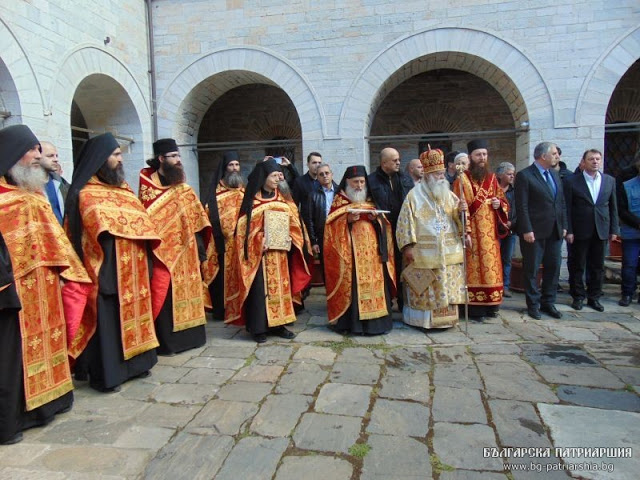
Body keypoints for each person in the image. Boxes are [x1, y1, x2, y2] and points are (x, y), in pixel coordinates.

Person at [0, 125, 91, 445]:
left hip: (48, 287)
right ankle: (19, 415)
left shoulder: (35, 195)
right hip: (16, 292)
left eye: (41, 150)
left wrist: (72, 275)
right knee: (15, 355)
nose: (40, 157)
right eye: (34, 150)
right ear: (14, 155)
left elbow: (56, 240)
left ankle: (51, 403)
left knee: (51, 341)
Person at [66, 133, 166, 393]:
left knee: (137, 315)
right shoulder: (85, 193)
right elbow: (81, 235)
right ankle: (108, 375)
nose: (121, 159)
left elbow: (144, 224)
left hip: (135, 269)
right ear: (101, 159)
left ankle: (138, 364)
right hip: (107, 270)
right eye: (115, 155)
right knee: (108, 322)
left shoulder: (125, 191)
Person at [139, 138, 215, 355]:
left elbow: (198, 220)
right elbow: (146, 222)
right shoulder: (148, 189)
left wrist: (200, 251)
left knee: (191, 291)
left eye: (179, 156)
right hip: (163, 254)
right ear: (161, 159)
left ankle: (192, 339)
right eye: (173, 156)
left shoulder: (184, 188)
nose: (178, 160)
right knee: (165, 293)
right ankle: (168, 343)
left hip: (188, 252)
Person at [225, 158, 311, 343]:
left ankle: (279, 325)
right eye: (273, 176)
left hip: (280, 255)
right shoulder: (252, 203)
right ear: (263, 177)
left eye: (278, 176)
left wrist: (292, 238)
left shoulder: (283, 199)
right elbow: (241, 231)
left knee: (280, 290)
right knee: (259, 291)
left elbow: (295, 224)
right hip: (258, 258)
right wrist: (258, 240)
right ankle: (258, 328)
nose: (276, 179)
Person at [396, 148, 466, 329]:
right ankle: (421, 321)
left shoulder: (449, 195)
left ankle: (446, 320)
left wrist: (461, 211)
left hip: (449, 251)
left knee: (447, 287)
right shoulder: (414, 196)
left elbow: (457, 220)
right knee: (425, 289)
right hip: (423, 252)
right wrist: (408, 247)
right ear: (427, 174)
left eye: (442, 173)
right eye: (437, 174)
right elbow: (405, 223)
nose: (441, 177)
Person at [324, 165, 396, 335]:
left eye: (362, 182)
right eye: (355, 182)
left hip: (373, 255)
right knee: (354, 286)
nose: (359, 185)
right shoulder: (339, 202)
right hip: (350, 255)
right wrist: (346, 220)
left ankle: (376, 324)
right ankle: (352, 325)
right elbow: (330, 230)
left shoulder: (370, 200)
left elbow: (384, 225)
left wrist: (375, 220)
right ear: (347, 182)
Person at [453, 140, 508, 321]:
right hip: (473, 235)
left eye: (484, 154)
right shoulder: (462, 179)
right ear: (471, 157)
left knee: (492, 269)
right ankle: (476, 310)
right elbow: (459, 208)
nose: (482, 158)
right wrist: (466, 232)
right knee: (474, 271)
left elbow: (503, 201)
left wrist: (499, 204)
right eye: (478, 155)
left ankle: (492, 306)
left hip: (490, 235)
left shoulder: (492, 179)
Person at [515, 142, 567, 320]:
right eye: (554, 153)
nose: (557, 156)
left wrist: (564, 225)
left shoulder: (555, 175)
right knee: (532, 268)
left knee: (554, 267)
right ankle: (533, 304)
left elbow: (560, 203)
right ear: (543, 156)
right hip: (534, 232)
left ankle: (548, 303)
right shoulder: (525, 175)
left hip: (555, 230)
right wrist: (527, 229)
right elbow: (521, 205)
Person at [564, 149, 618, 312]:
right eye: (591, 159)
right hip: (580, 230)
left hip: (601, 229)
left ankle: (594, 297)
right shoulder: (572, 181)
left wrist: (614, 229)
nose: (595, 162)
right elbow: (567, 208)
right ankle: (578, 296)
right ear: (584, 162)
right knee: (577, 265)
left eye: (597, 159)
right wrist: (569, 230)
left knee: (597, 266)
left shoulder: (609, 181)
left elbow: (613, 207)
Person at [369, 147, 414, 310]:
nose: (398, 163)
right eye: (394, 160)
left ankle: (404, 302)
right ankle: (386, 302)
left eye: (399, 160)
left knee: (403, 265)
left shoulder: (405, 179)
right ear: (384, 162)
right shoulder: (371, 181)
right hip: (381, 232)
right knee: (384, 266)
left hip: (402, 231)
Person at [204, 150, 245, 320]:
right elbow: (207, 214)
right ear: (225, 168)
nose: (234, 168)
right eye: (231, 165)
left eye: (236, 164)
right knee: (222, 278)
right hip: (221, 245)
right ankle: (223, 310)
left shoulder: (245, 192)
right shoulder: (215, 195)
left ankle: (241, 308)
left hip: (242, 245)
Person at [617, 149, 640, 306]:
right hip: (632, 231)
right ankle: (627, 293)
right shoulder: (627, 185)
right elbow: (622, 209)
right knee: (630, 264)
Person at [305, 163, 338, 266]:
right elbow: (309, 219)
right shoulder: (313, 195)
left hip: (339, 233)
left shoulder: (341, 192)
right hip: (322, 235)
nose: (325, 176)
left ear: (332, 174)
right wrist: (313, 241)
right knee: (326, 266)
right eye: (321, 174)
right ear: (317, 178)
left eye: (327, 173)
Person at [496, 162, 517, 298]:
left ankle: (506, 286)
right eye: (509, 174)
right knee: (495, 258)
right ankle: (496, 284)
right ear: (500, 175)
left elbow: (519, 209)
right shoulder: (493, 190)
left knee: (507, 258)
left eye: (512, 174)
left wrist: (512, 222)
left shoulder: (514, 192)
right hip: (495, 230)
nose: (512, 176)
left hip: (510, 230)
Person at [40, 141, 70, 225]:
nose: (56, 159)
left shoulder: (62, 183)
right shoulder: (28, 185)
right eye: (50, 156)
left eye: (56, 156)